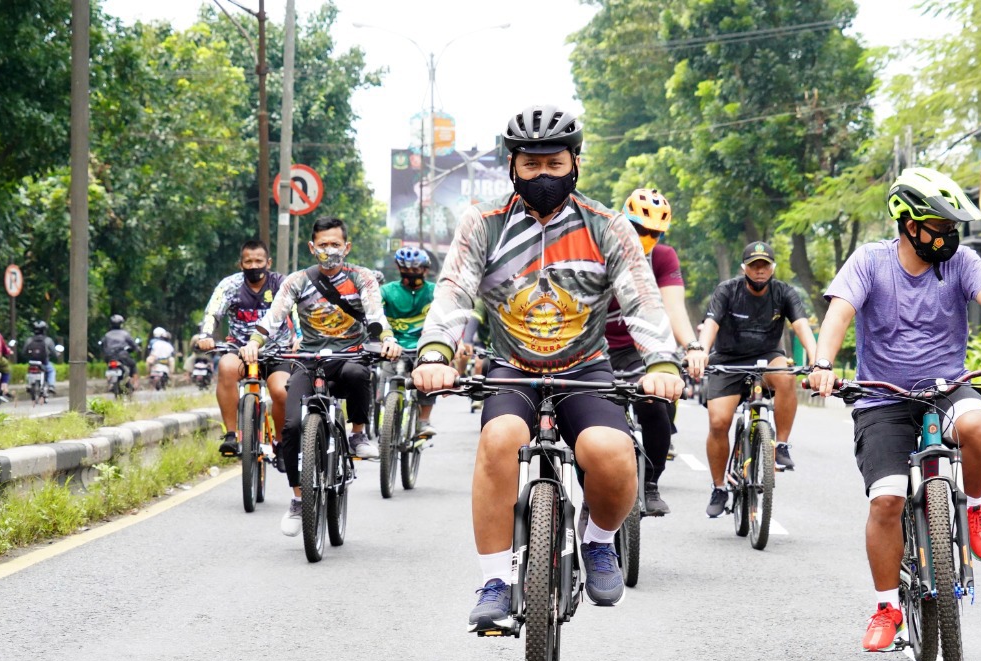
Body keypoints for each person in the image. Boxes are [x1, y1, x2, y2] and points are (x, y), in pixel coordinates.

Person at [411, 105, 683, 631]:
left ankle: (599, 542)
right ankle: (494, 579)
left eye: (553, 163)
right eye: (530, 165)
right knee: (499, 438)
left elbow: (643, 300)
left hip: (585, 367)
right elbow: (454, 291)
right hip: (510, 368)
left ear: (575, 162)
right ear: (512, 166)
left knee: (610, 450)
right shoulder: (483, 224)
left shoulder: (607, 227)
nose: (542, 176)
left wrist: (662, 362)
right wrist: (435, 354)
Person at [808, 166, 981, 651]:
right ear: (910, 225)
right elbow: (839, 311)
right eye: (938, 226)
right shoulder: (869, 262)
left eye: (951, 227)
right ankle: (886, 608)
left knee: (980, 427)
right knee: (887, 500)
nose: (948, 236)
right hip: (884, 398)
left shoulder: (961, 264)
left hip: (947, 387)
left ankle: (976, 510)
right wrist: (822, 363)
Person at [240, 216, 400, 535]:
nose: (330, 250)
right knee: (292, 425)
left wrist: (387, 340)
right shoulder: (298, 281)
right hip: (308, 359)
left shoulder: (361, 278)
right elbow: (273, 318)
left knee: (358, 374)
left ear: (347, 247)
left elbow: (375, 315)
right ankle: (299, 500)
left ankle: (356, 433)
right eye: (323, 244)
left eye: (335, 244)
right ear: (312, 247)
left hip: (349, 356)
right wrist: (253, 343)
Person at [604, 187, 706, 516]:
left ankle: (650, 484)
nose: (647, 238)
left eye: (655, 233)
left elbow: (674, 308)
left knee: (654, 405)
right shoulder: (599, 247)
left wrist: (692, 347)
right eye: (639, 229)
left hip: (640, 350)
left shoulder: (663, 257)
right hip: (596, 349)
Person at [695, 241, 816, 518]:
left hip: (767, 356)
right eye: (754, 265)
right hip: (728, 360)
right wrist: (700, 352)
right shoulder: (727, 290)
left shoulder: (784, 292)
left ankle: (781, 445)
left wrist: (818, 360)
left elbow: (802, 327)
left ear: (772, 267)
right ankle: (719, 487)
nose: (760, 271)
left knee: (785, 377)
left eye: (765, 265)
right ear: (744, 268)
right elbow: (711, 324)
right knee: (718, 421)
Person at [197, 239, 294, 457]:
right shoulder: (229, 286)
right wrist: (205, 335)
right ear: (241, 265)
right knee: (225, 367)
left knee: (281, 391)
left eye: (258, 261)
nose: (253, 266)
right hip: (239, 349)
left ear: (268, 262)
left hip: (276, 351)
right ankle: (232, 435)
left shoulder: (281, 285)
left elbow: (296, 313)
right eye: (248, 261)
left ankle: (281, 442)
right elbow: (213, 312)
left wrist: (300, 337)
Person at [380, 245, 438, 438]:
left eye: (415, 270)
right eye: (405, 270)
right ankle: (386, 419)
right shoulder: (387, 291)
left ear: (425, 270)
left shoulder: (435, 292)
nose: (410, 274)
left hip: (423, 346)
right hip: (394, 346)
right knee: (384, 384)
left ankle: (423, 422)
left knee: (428, 379)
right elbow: (376, 313)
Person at [97, 314, 139, 391]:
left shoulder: (107, 335)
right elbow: (133, 345)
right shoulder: (125, 334)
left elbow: (101, 345)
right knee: (133, 365)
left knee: (109, 366)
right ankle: (135, 383)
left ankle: (109, 382)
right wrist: (136, 348)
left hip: (109, 357)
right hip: (122, 356)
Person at [20, 320, 61, 392]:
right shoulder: (48, 340)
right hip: (44, 362)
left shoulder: (29, 340)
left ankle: (29, 384)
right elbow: (54, 353)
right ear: (44, 330)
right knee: (51, 370)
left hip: (32, 363)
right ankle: (51, 385)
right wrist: (56, 355)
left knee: (29, 370)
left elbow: (23, 352)